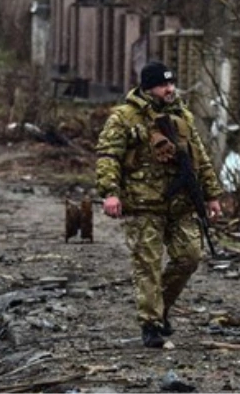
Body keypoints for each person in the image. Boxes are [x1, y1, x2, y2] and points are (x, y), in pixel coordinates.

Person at [95, 61, 224, 348]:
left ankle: (160, 306)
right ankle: (151, 323)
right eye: (163, 84)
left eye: (171, 83)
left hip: (180, 204)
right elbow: (108, 156)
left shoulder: (182, 116)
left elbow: (199, 159)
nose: (170, 88)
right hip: (144, 204)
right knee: (148, 265)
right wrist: (110, 192)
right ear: (148, 87)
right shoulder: (125, 118)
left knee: (190, 257)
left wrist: (212, 195)